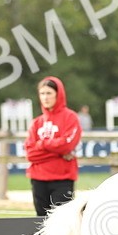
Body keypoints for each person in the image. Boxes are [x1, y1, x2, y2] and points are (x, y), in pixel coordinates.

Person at [24, 76, 82, 216]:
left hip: (62, 179)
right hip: (38, 179)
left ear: (58, 94)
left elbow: (67, 145)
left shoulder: (70, 117)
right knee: (41, 222)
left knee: (63, 222)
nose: (45, 97)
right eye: (42, 93)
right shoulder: (36, 122)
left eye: (49, 93)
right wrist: (57, 151)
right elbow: (30, 153)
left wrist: (42, 144)